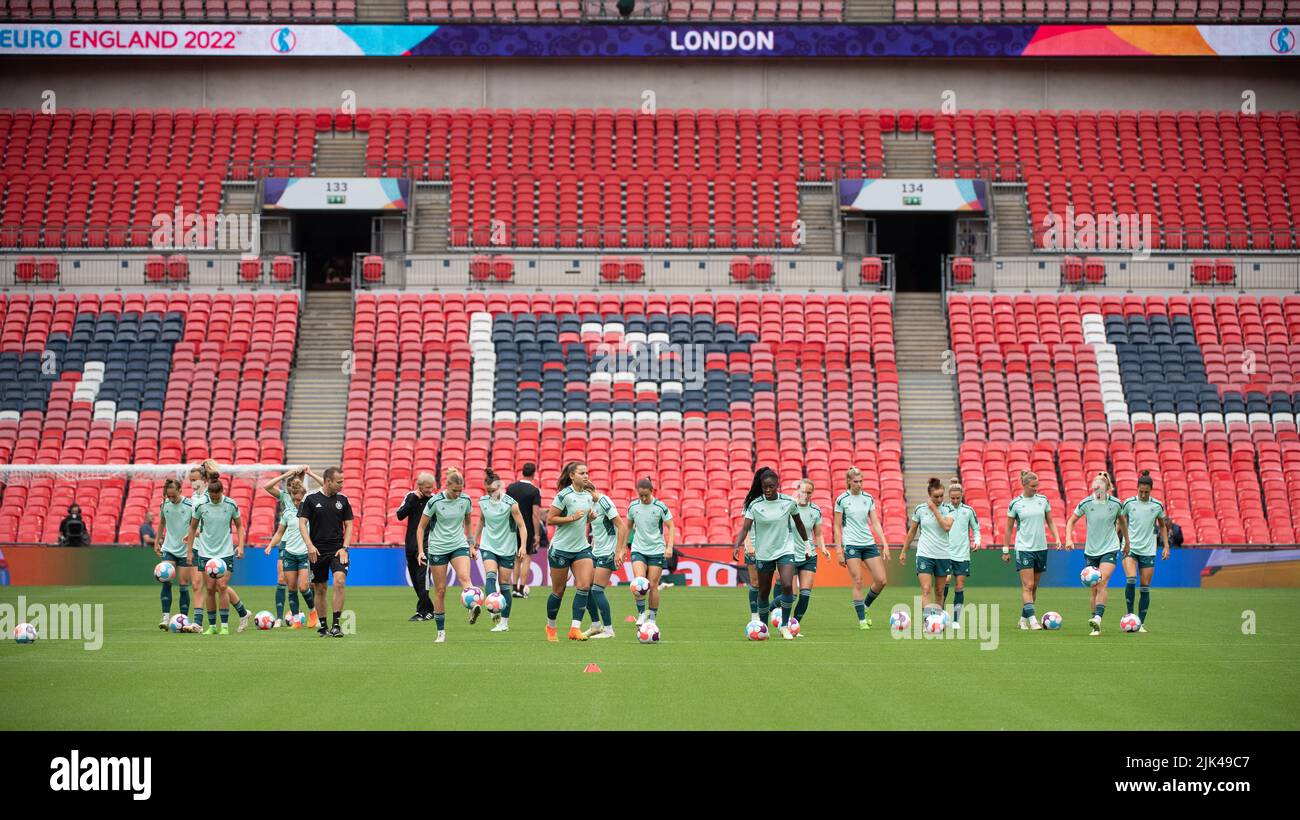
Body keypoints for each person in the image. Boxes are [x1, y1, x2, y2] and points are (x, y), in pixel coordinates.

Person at [731, 468, 809, 640]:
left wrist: (807, 545)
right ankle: (764, 627)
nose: (767, 490)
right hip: (764, 553)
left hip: (785, 550)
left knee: (788, 585)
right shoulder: (755, 504)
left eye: (771, 487)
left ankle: (784, 626)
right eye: (765, 487)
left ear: (777, 486)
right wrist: (737, 546)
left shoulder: (788, 502)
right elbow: (745, 527)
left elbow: (799, 523)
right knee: (764, 592)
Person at [415, 470, 475, 643]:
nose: (458, 494)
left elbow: (469, 521)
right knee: (440, 590)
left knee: (465, 578)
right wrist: (421, 550)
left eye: (460, 490)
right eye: (455, 490)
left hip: (459, 545)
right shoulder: (435, 502)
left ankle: (472, 606)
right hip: (438, 548)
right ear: (447, 486)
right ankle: (441, 632)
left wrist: (471, 544)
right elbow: (421, 528)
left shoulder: (466, 500)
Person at [1065, 472, 1127, 636]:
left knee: (1102, 582)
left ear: (1107, 487)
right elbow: (1071, 521)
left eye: (1100, 485)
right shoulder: (1086, 503)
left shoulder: (1115, 503)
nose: (1097, 488)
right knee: (1093, 589)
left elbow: (1122, 522)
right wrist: (1068, 539)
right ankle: (1095, 624)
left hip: (1110, 548)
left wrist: (1126, 541)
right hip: (1091, 551)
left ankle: (1098, 617)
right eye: (1095, 486)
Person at [545, 462, 599, 642]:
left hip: (581, 548)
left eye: (587, 473)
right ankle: (551, 627)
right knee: (558, 591)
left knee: (584, 586)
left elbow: (583, 521)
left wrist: (589, 519)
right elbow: (550, 519)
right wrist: (571, 518)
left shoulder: (588, 496)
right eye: (582, 473)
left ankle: (575, 629)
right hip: (560, 549)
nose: (586, 476)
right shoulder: (564, 496)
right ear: (572, 476)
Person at [262, 466, 323, 627]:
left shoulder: (309, 504)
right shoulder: (286, 505)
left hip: (304, 551)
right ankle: (293, 619)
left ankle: (313, 612)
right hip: (288, 549)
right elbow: (280, 531)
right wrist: (270, 545)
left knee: (305, 586)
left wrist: (309, 473)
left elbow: (326, 486)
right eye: (293, 498)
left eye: (298, 499)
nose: (296, 502)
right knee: (289, 585)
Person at [1004, 470, 1064, 630]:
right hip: (1024, 548)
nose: (1036, 489)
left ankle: (1023, 620)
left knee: (1034, 586)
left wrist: (1057, 537)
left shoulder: (1043, 500)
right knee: (1027, 585)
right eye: (1032, 486)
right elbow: (1009, 528)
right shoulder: (1015, 503)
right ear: (1024, 485)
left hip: (1041, 548)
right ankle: (1033, 621)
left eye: (1037, 486)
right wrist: (1005, 549)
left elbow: (1050, 521)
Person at [298, 467, 354, 638]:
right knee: (320, 588)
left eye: (343, 481)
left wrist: (345, 547)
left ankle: (336, 625)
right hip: (317, 551)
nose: (342, 485)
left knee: (339, 580)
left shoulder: (343, 500)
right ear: (328, 481)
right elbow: (302, 524)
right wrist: (309, 545)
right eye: (339, 482)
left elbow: (349, 524)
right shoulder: (310, 499)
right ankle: (323, 626)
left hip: (338, 550)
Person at [184, 479, 245, 636]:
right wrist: (190, 551)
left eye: (216, 496)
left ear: (222, 492)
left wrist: (240, 546)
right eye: (211, 496)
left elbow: (239, 525)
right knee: (210, 589)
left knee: (222, 586)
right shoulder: (201, 505)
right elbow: (192, 528)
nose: (214, 499)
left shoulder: (231, 504)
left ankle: (224, 625)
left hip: (225, 552)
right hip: (205, 552)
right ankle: (212, 626)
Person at [833, 466, 891, 629]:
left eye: (861, 481)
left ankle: (865, 606)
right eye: (856, 481)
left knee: (881, 580)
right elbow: (837, 526)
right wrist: (839, 550)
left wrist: (885, 543)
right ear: (849, 482)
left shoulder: (868, 498)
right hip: (851, 544)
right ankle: (861, 620)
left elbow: (875, 522)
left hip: (868, 543)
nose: (859, 484)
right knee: (858, 581)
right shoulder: (842, 499)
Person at [474, 468, 528, 633]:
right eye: (488, 491)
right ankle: (493, 611)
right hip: (488, 545)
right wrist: (474, 540)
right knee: (490, 576)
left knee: (505, 586)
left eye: (493, 491)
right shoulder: (483, 502)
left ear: (500, 487)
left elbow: (521, 526)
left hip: (507, 548)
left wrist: (523, 545)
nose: (491, 494)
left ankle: (504, 623)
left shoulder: (511, 504)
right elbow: (481, 521)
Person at [1121, 471, 1171, 633]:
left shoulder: (1157, 506)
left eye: (1146, 492)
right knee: (1131, 579)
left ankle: (1140, 623)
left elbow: (1162, 525)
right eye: (1141, 491)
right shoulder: (1128, 503)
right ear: (1137, 488)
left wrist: (1166, 546)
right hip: (1130, 547)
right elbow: (1120, 522)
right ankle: (1130, 616)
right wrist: (1116, 540)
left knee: (1145, 586)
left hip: (1148, 550)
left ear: (1151, 491)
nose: (1143, 494)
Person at [625, 477, 675, 626]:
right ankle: (641, 614)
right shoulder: (633, 507)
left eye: (646, 495)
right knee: (639, 581)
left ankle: (652, 619)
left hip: (656, 550)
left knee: (653, 585)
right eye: (641, 495)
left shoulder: (660, 507)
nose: (644, 498)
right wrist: (621, 548)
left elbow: (671, 526)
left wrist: (669, 546)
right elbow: (628, 527)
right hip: (638, 548)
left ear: (652, 491)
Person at [582, 479, 627, 639]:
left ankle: (609, 630)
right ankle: (595, 625)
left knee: (597, 590)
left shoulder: (604, 501)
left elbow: (622, 526)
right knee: (584, 587)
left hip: (608, 552)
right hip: (596, 550)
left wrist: (619, 551)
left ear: (590, 491)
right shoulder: (589, 506)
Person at [155, 479, 201, 631]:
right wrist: (157, 542)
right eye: (169, 496)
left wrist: (192, 539)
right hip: (169, 548)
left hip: (185, 549)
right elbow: (162, 523)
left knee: (183, 584)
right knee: (166, 580)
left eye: (173, 496)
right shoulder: (164, 505)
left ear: (180, 491)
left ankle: (182, 619)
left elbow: (196, 527)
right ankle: (166, 617)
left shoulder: (189, 506)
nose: (171, 499)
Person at [904, 477, 954, 618]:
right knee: (926, 589)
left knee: (939, 591)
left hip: (942, 555)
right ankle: (928, 621)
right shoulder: (919, 509)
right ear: (929, 495)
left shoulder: (948, 508)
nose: (939, 499)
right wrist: (903, 551)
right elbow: (912, 530)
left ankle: (937, 620)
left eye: (941, 496)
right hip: (925, 554)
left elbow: (946, 527)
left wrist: (934, 509)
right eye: (935, 497)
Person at [788, 478, 830, 636]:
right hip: (790, 555)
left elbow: (818, 534)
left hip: (808, 555)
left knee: (805, 595)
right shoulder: (790, 507)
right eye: (803, 491)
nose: (805, 495)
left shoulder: (816, 511)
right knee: (791, 595)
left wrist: (823, 548)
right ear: (798, 491)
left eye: (809, 492)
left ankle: (794, 626)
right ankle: (771, 608)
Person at [394, 472, 437, 621]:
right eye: (427, 488)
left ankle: (424, 611)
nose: (430, 490)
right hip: (410, 545)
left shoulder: (434, 500)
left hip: (427, 546)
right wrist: (413, 500)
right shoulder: (410, 496)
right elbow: (399, 515)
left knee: (422, 579)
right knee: (415, 580)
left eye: (432, 487)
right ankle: (428, 609)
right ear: (419, 486)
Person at [943, 479, 981, 627]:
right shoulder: (945, 509)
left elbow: (976, 529)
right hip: (945, 553)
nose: (955, 500)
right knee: (945, 581)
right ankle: (939, 615)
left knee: (959, 586)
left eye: (958, 498)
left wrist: (977, 541)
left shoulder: (968, 511)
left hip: (962, 554)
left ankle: (956, 620)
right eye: (952, 498)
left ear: (962, 496)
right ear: (949, 496)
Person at [506, 463, 546, 598]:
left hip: (513, 528)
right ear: (534, 474)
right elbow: (536, 514)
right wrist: (536, 534)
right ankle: (521, 589)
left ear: (522, 472)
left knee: (516, 559)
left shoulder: (511, 488)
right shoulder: (534, 491)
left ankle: (514, 588)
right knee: (527, 557)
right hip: (527, 528)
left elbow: (506, 509)